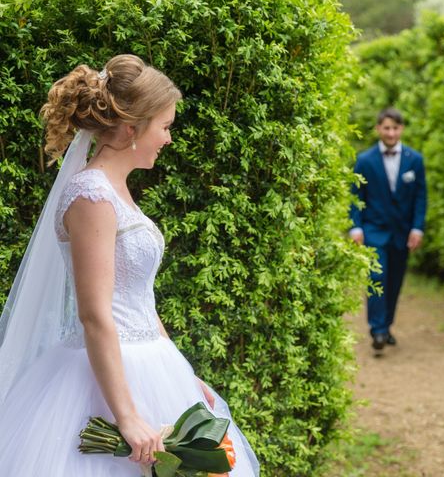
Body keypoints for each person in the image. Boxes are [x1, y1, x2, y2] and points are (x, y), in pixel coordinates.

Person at [0, 55, 259, 476]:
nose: (168, 139)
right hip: (105, 376)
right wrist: (127, 417)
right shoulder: (91, 196)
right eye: (165, 126)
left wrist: (184, 377)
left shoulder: (113, 189)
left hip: (151, 362)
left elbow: (140, 300)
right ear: (131, 128)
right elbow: (95, 314)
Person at [350, 108, 427, 352]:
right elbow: (356, 197)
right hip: (374, 231)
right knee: (377, 278)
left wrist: (417, 228)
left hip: (403, 233)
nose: (391, 132)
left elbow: (420, 197)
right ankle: (378, 330)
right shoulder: (364, 160)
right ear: (378, 129)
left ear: (401, 129)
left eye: (395, 128)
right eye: (386, 128)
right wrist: (356, 227)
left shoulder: (415, 160)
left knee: (394, 281)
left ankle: (387, 325)